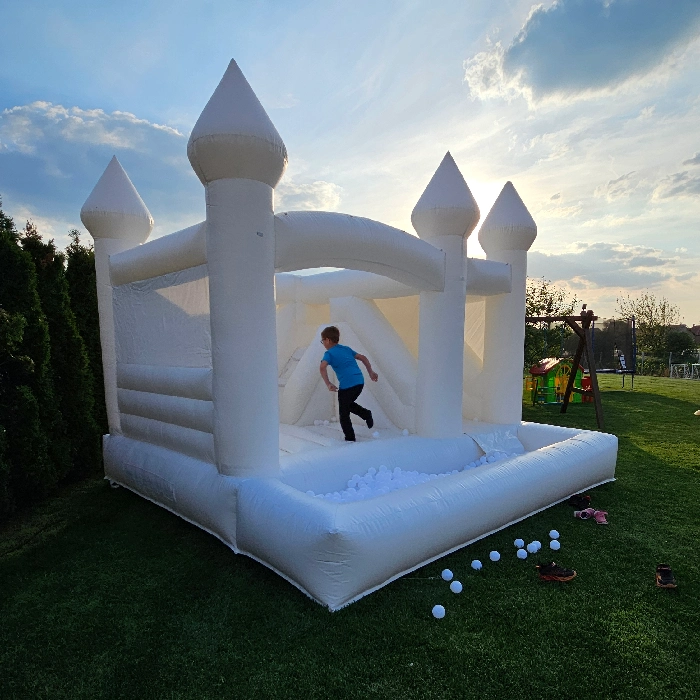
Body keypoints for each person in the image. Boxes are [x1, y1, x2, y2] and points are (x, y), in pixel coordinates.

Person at [319, 325, 378, 442]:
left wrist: (328, 384)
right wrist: (371, 372)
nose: (323, 343)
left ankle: (350, 438)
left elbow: (322, 367)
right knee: (347, 404)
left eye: (323, 341)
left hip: (347, 385)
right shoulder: (346, 349)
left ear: (328, 340)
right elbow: (363, 358)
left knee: (344, 413)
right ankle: (365, 414)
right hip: (359, 382)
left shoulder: (329, 353)